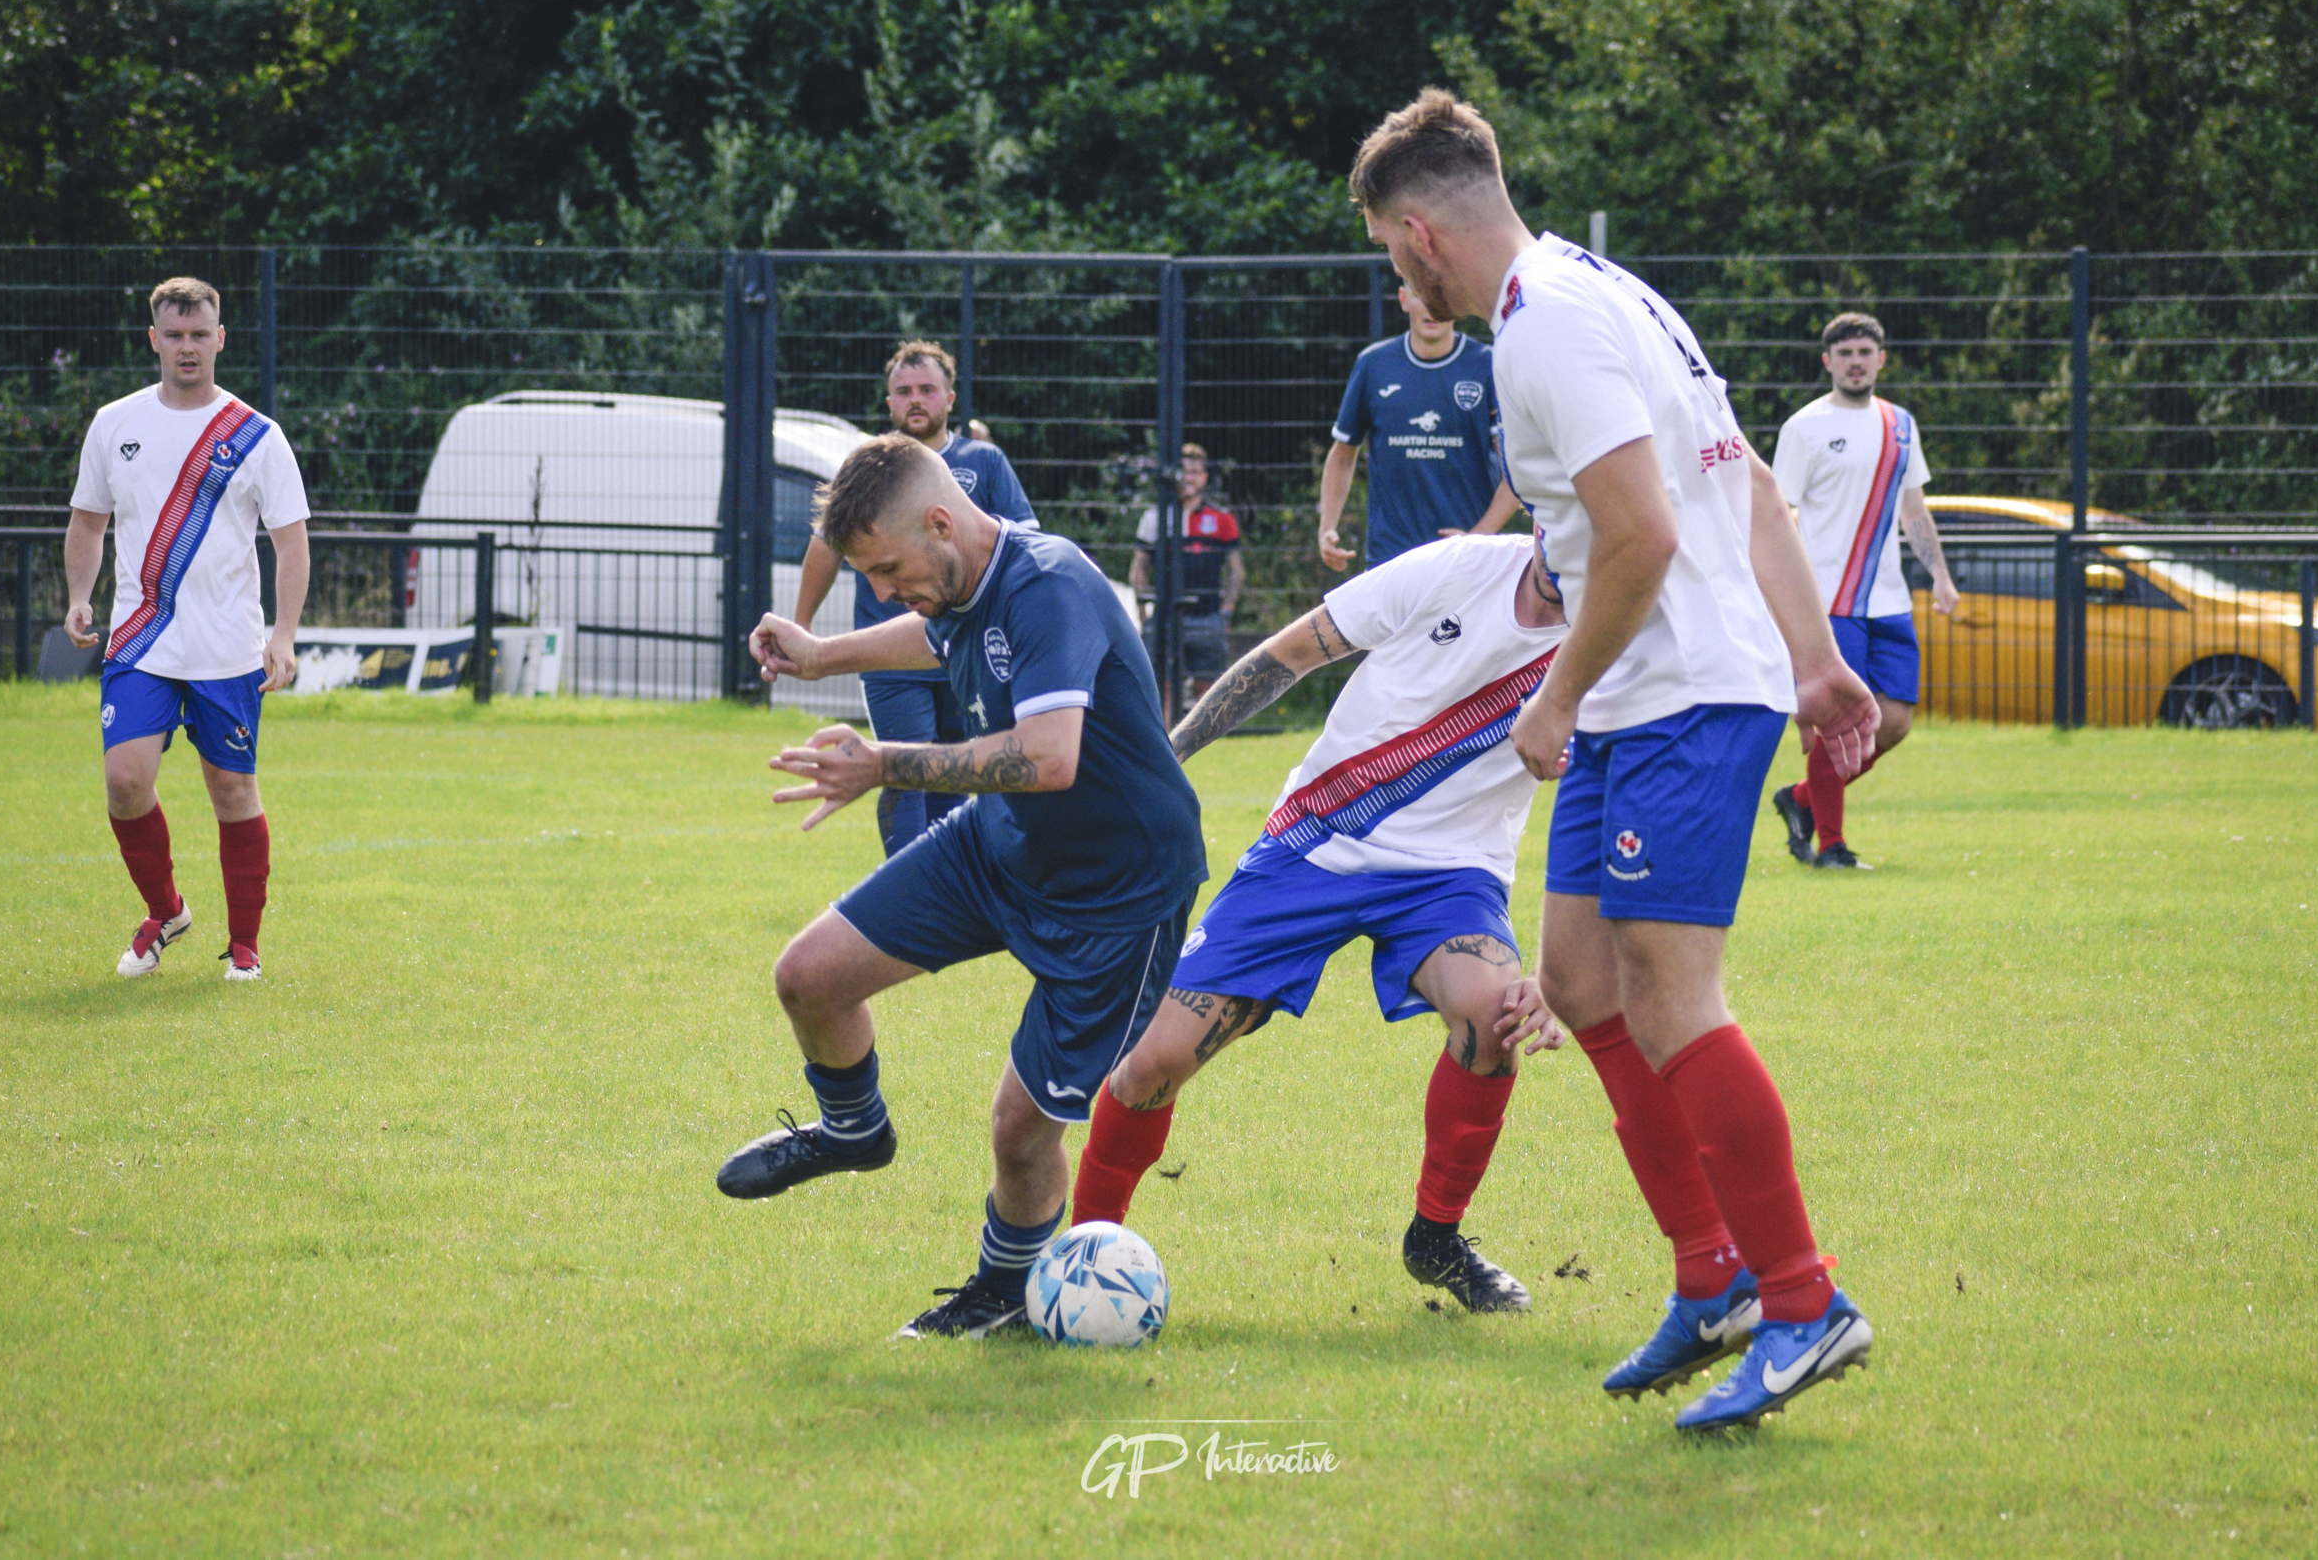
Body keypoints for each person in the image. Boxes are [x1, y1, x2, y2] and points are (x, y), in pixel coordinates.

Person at [1349, 88, 1882, 1433]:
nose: (1396, 274)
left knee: (1671, 991)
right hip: (1646, 693)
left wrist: (1554, 696)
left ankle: (1806, 1300)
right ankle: (1714, 1280)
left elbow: (1642, 533)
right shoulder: (1605, 288)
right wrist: (1816, 659)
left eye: (1388, 251)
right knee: (1584, 982)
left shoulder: (1546, 334)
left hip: (1678, 691)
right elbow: (1747, 482)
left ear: (1419, 232)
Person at [726, 434, 1207, 1340]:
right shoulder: (956, 573)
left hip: (1118, 898)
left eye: (888, 566)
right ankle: (854, 1128)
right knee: (809, 975)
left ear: (941, 523)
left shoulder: (1049, 583)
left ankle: (1001, 1291)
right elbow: (933, 629)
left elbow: (1053, 756)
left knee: (1021, 1131)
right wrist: (823, 655)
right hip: (999, 845)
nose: (880, 587)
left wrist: (888, 763)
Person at [1072, 531, 1568, 1312]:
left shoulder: (1621, 636)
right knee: (1149, 1067)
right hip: (1314, 841)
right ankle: (1082, 1254)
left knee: (1492, 1015)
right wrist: (1169, 756)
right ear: (1542, 512)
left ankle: (1435, 1237)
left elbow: (1619, 805)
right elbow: (1287, 654)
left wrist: (1562, 968)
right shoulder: (1454, 567)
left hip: (1450, 874)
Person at [64, 277, 309, 983]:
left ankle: (245, 946)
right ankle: (166, 911)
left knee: (232, 792)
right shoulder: (115, 423)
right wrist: (81, 594)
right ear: (154, 340)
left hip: (228, 646)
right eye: (174, 335)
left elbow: (291, 544)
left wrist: (284, 635)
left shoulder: (256, 436)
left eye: (200, 334)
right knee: (124, 781)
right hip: (140, 639)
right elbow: (88, 520)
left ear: (220, 338)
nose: (188, 347)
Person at [792, 341, 1036, 856]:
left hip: (963, 648)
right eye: (903, 392)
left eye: (927, 389)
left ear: (950, 398)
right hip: (892, 656)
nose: (915, 400)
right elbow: (825, 545)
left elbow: (1024, 541)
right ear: (889, 405)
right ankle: (904, 885)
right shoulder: (870, 467)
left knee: (955, 771)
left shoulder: (983, 461)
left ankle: (949, 887)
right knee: (906, 765)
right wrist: (802, 626)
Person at [1768, 313, 1961, 870]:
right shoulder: (1804, 427)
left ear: (1882, 359)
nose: (1856, 361)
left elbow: (1913, 508)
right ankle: (1831, 846)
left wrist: (1941, 577)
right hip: (1831, 601)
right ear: (1827, 362)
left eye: (1865, 352)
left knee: (1894, 720)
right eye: (1845, 352)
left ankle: (1801, 799)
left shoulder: (1901, 424)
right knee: (1838, 724)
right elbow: (1780, 512)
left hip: (1890, 601)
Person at [1319, 282, 1519, 573]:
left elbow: (1516, 470)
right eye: (1422, 296)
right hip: (1389, 559)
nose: (1432, 308)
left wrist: (1478, 538)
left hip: (1464, 562)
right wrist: (1327, 526)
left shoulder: (1486, 365)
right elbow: (1342, 455)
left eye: (1442, 296)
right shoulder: (1374, 365)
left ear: (1458, 303)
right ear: (1403, 299)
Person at [1127, 444, 1241, 700]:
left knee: (1208, 691)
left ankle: (1201, 740)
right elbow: (1139, 568)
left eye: (1195, 472)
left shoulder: (1222, 519)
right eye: (1183, 471)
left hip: (1207, 617)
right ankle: (1163, 740)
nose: (1188, 478)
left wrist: (1226, 612)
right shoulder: (1154, 518)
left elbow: (1236, 571)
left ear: (1205, 478)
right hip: (1164, 617)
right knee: (1161, 688)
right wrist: (1143, 612)